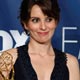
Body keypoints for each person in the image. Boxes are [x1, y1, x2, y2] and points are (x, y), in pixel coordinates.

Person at [0, 0, 79, 80]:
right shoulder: (9, 59)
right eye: (35, 20)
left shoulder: (71, 63)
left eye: (49, 19)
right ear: (25, 24)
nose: (43, 27)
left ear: (56, 21)